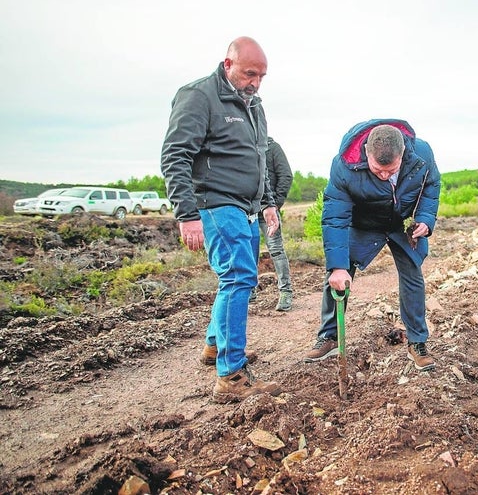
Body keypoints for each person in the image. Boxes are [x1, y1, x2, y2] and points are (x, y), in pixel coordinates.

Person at [161, 36, 282, 403]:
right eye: (250, 73)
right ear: (228, 64)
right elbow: (175, 155)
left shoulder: (253, 106)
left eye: (262, 76)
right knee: (239, 278)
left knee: (237, 279)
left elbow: (259, 159)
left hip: (247, 208)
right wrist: (187, 214)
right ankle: (230, 375)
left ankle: (215, 347)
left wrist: (268, 202)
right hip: (216, 204)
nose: (256, 82)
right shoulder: (199, 96)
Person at [303, 120, 441, 371]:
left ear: (404, 153)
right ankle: (329, 336)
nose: (385, 175)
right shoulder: (344, 165)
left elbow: (431, 186)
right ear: (367, 152)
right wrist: (337, 267)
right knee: (338, 274)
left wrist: (425, 219)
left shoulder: (422, 154)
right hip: (363, 223)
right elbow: (335, 217)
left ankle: (417, 343)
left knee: (412, 274)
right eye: (378, 170)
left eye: (392, 170)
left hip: (401, 222)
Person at [256, 136, 294, 312]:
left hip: (269, 210)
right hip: (245, 210)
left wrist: (275, 203)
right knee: (247, 250)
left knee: (276, 250)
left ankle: (286, 292)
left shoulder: (272, 148)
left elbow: (286, 175)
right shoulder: (243, 144)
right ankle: (248, 291)